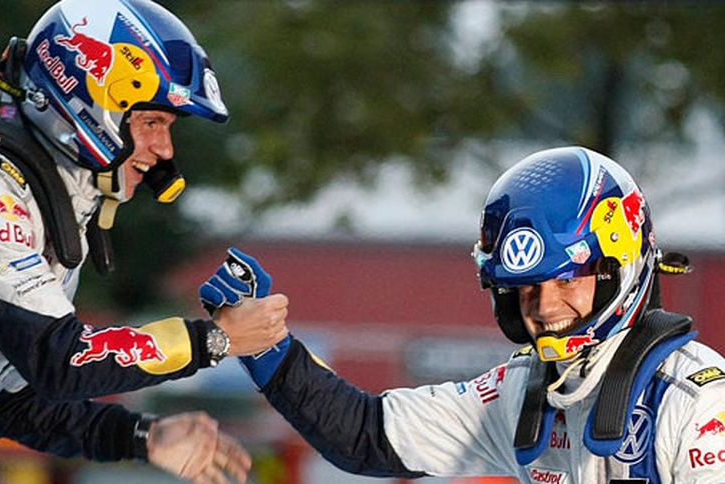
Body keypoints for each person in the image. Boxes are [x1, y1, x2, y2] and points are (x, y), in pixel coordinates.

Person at [0, 1, 289, 482]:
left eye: (167, 128)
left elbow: (10, 404)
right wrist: (213, 340)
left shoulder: (45, 206)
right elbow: (59, 359)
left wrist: (142, 436)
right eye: (152, 123)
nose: (165, 149)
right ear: (91, 104)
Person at [201, 147, 725, 482]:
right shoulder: (525, 391)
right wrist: (265, 346)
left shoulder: (700, 402)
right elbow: (365, 434)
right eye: (524, 288)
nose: (544, 307)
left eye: (566, 279)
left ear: (620, 268)